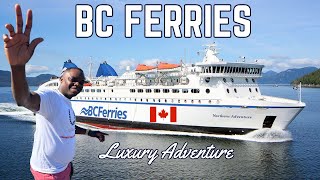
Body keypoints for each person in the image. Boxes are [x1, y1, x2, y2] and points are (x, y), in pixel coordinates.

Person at [3, 4, 107, 179]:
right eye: (73, 79)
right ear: (60, 80)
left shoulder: (66, 102)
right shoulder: (50, 97)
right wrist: (17, 66)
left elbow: (68, 128)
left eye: (81, 82)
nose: (77, 84)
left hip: (64, 168)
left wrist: (91, 133)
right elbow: (23, 99)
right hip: (49, 173)